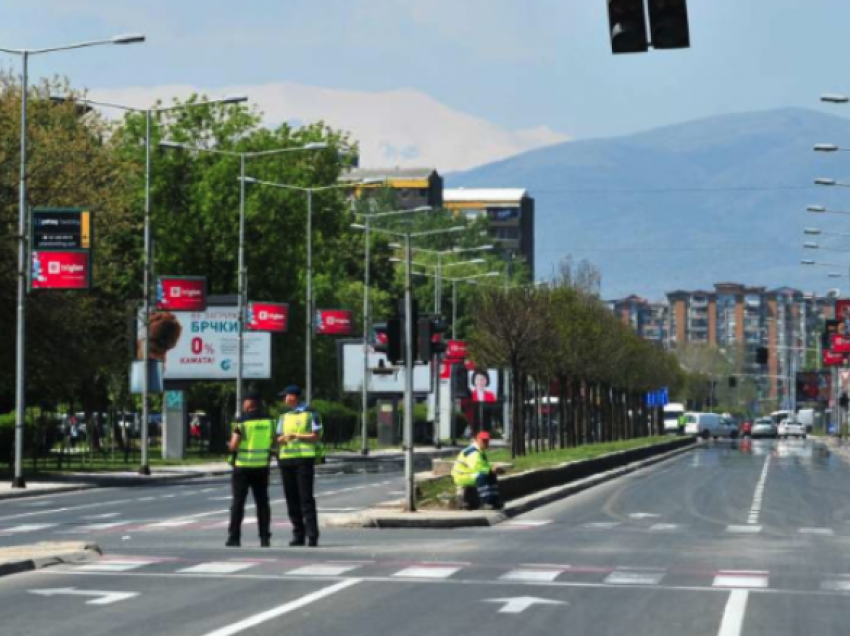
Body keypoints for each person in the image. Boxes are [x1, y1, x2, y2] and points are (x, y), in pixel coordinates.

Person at [226, 391, 274, 548]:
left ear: (249, 403)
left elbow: (234, 445)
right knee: (262, 504)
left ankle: (234, 537)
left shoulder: (242, 423)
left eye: (244, 402)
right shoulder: (270, 421)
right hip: (261, 467)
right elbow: (275, 442)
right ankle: (265, 537)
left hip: (243, 467)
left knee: (238, 504)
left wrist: (229, 446)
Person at [277, 384, 322, 547]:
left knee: (306, 498)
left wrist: (296, 435)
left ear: (294, 397)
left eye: (286, 396)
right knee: (291, 499)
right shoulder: (283, 416)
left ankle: (312, 534)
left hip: (304, 459)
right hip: (286, 460)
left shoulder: (311, 413)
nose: (284, 399)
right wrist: (281, 439)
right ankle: (298, 533)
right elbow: (278, 437)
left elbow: (316, 436)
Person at [451, 431, 503, 511]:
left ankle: (494, 501)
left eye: (487, 441)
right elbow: (476, 468)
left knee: (491, 475)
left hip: (468, 474)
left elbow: (484, 465)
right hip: (462, 476)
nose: (486, 443)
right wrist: (490, 470)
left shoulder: (480, 450)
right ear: (478, 440)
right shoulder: (472, 452)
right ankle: (485, 502)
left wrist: (493, 469)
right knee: (482, 476)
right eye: (484, 441)